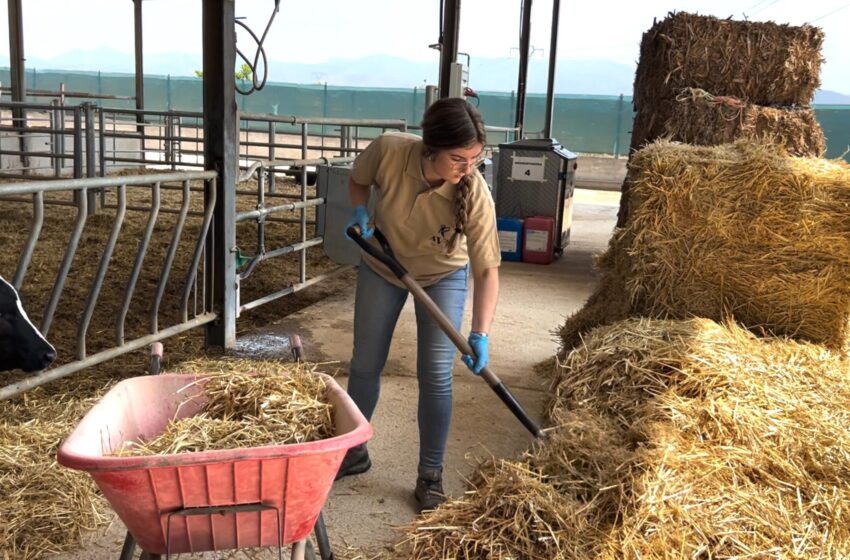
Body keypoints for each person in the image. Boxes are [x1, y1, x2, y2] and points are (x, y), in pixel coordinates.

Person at [335, 97, 501, 513]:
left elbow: (486, 271)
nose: (468, 168)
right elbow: (358, 180)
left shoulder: (474, 192)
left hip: (443, 276)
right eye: (458, 159)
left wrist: (480, 332)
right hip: (383, 264)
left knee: (435, 374)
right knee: (365, 362)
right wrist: (359, 208)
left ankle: (430, 475)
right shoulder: (390, 150)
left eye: (475, 159)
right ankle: (354, 452)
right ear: (430, 147)